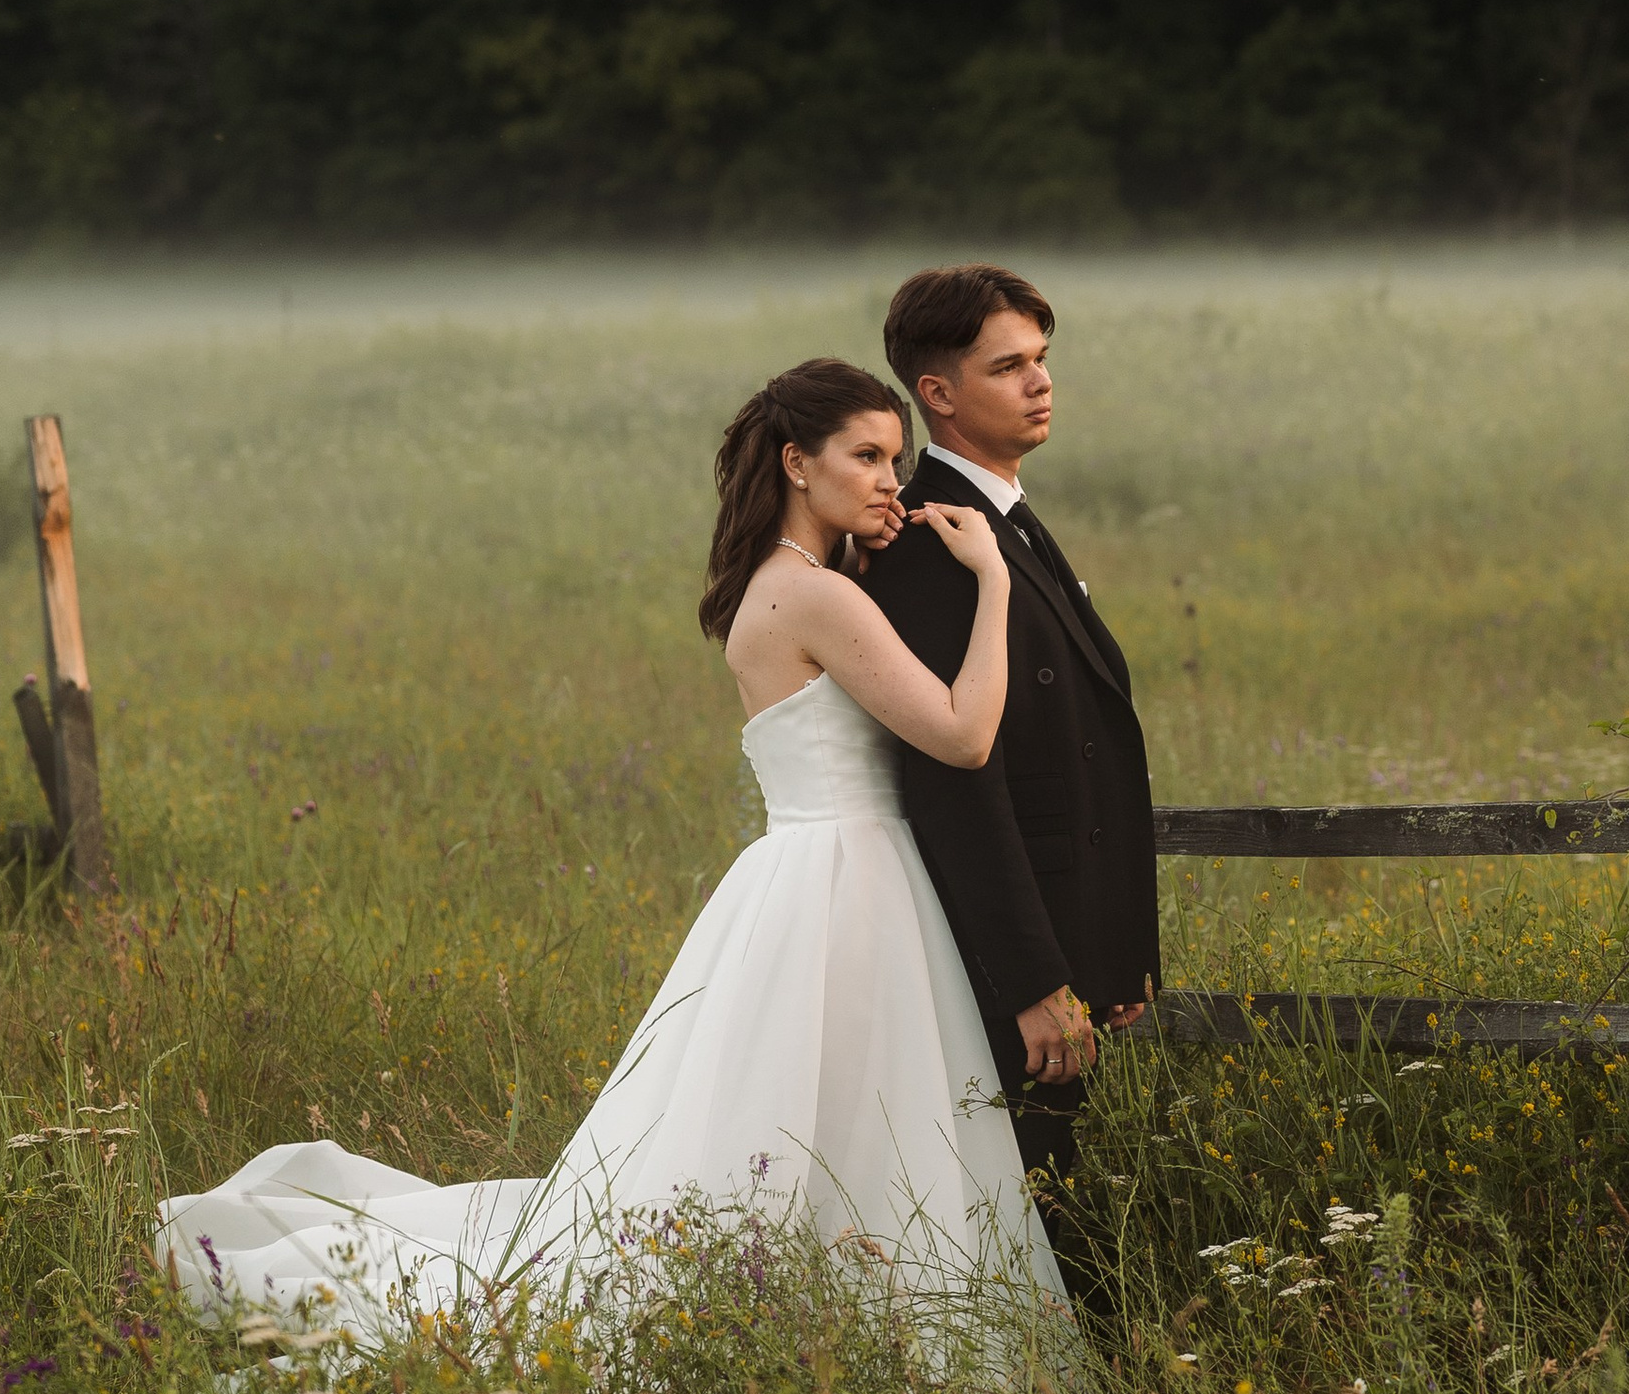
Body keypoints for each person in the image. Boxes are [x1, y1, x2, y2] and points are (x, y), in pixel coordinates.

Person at [155, 359, 1071, 1338]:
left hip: (801, 876)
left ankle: (811, 1320)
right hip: (854, 881)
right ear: (798, 463)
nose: (894, 479)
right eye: (868, 455)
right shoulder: (822, 601)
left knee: (797, 1120)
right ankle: (853, 1324)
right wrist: (992, 580)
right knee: (861, 1115)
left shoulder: (779, 585)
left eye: (895, 457)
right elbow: (963, 734)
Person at [861, 265, 1158, 1327]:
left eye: (1042, 359)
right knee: (1030, 1215)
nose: (1040, 383)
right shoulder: (930, 548)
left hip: (1073, 943)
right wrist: (1036, 977)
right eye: (1009, 365)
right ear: (936, 394)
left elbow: (1083, 760)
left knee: (1064, 1204)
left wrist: (1117, 952)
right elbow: (957, 785)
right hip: (1006, 970)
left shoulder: (1006, 521)